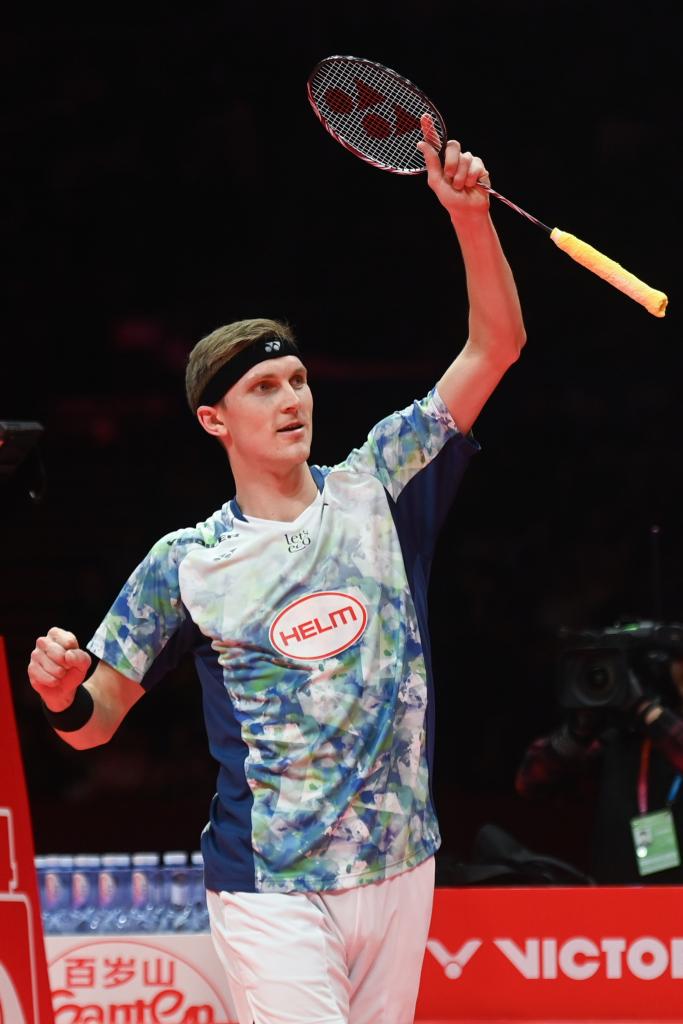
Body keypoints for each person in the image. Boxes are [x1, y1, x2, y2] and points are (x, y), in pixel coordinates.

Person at [28, 116, 526, 1024]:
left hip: (401, 862)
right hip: (271, 883)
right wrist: (63, 694)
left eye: (296, 380)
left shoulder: (378, 485)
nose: (290, 398)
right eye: (263, 387)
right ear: (214, 420)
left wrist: (468, 218)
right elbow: (94, 726)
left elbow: (493, 346)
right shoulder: (186, 564)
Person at [516, 651, 683, 885]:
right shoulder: (616, 735)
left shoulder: (663, 726)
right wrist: (578, 731)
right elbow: (530, 781)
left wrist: (645, 709)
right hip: (612, 895)